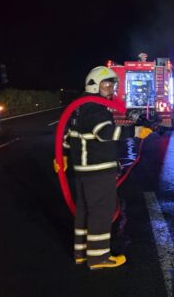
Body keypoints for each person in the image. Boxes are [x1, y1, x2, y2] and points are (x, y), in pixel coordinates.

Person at [64, 66, 127, 270]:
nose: (111, 89)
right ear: (93, 85)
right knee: (101, 212)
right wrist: (136, 131)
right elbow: (105, 133)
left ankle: (81, 253)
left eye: (112, 85)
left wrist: (64, 156)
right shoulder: (95, 108)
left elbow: (67, 138)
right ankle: (99, 258)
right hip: (97, 171)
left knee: (84, 212)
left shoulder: (78, 107)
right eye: (106, 84)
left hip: (82, 171)